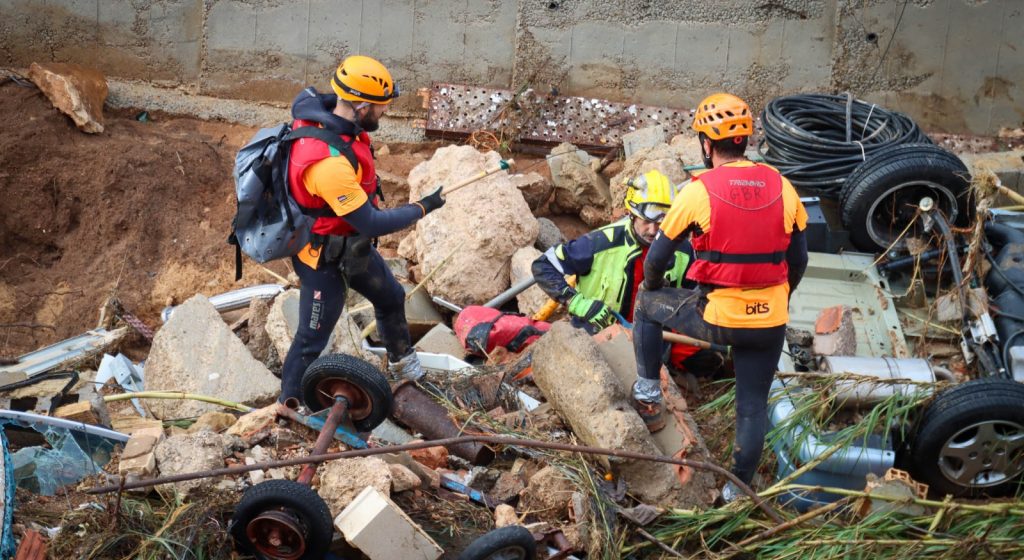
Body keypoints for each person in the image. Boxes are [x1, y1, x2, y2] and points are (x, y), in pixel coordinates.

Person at [631, 93, 808, 499]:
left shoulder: (698, 191)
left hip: (718, 318)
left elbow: (657, 259)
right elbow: (798, 259)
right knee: (751, 407)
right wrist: (782, 297)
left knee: (647, 305)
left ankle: (647, 396)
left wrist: (653, 288)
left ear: (706, 145)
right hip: (769, 321)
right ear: (746, 140)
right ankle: (736, 492)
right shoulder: (784, 187)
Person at [279, 55, 446, 402]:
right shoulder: (326, 161)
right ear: (361, 105)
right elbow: (369, 221)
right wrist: (422, 207)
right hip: (321, 259)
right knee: (312, 339)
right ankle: (288, 407)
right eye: (381, 107)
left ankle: (404, 372)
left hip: (351, 246)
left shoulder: (343, 126)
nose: (385, 113)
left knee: (391, 297)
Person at [531, 170, 723, 377]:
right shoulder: (601, 242)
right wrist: (578, 303)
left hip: (656, 335)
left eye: (661, 223)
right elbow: (543, 266)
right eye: (645, 221)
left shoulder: (683, 250)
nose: (652, 230)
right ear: (631, 214)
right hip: (601, 333)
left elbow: (697, 296)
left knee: (710, 359)